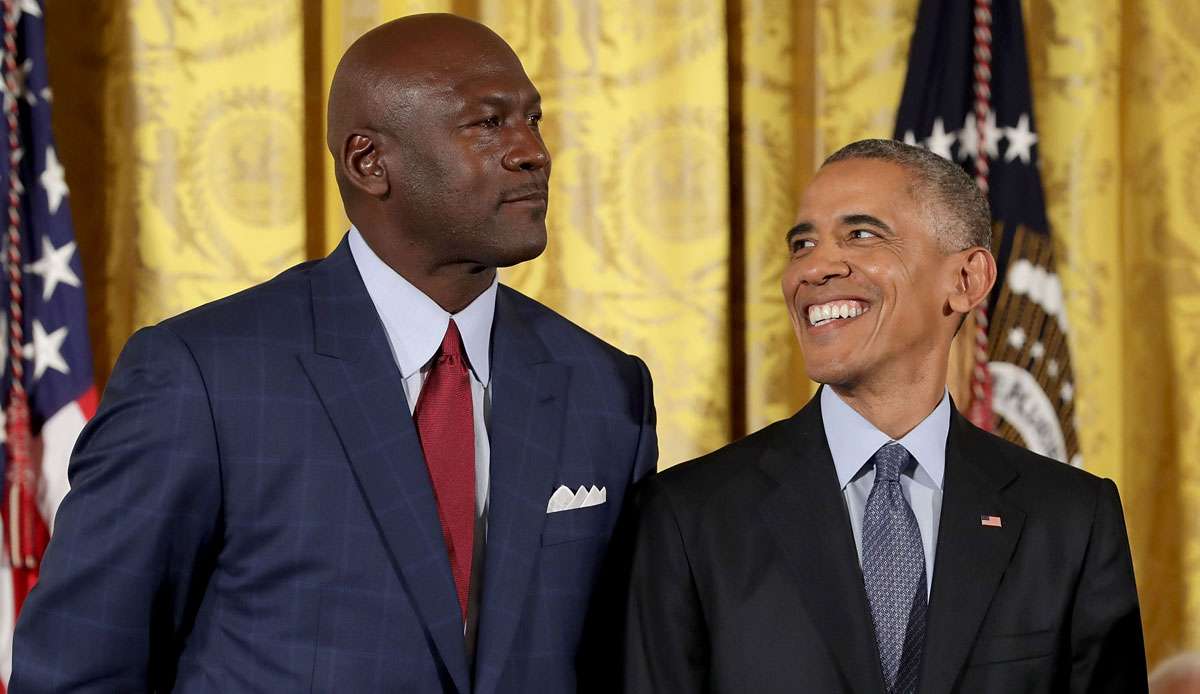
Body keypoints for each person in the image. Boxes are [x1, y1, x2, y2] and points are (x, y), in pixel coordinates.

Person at [11, 14, 656, 693]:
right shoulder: (202, 378)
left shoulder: (606, 388)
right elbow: (76, 672)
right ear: (368, 162)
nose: (533, 151)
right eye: (487, 124)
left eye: (534, 120)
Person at [614, 139, 1145, 693]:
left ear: (967, 280)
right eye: (802, 244)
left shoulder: (1071, 518)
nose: (815, 267)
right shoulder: (688, 516)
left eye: (861, 234)